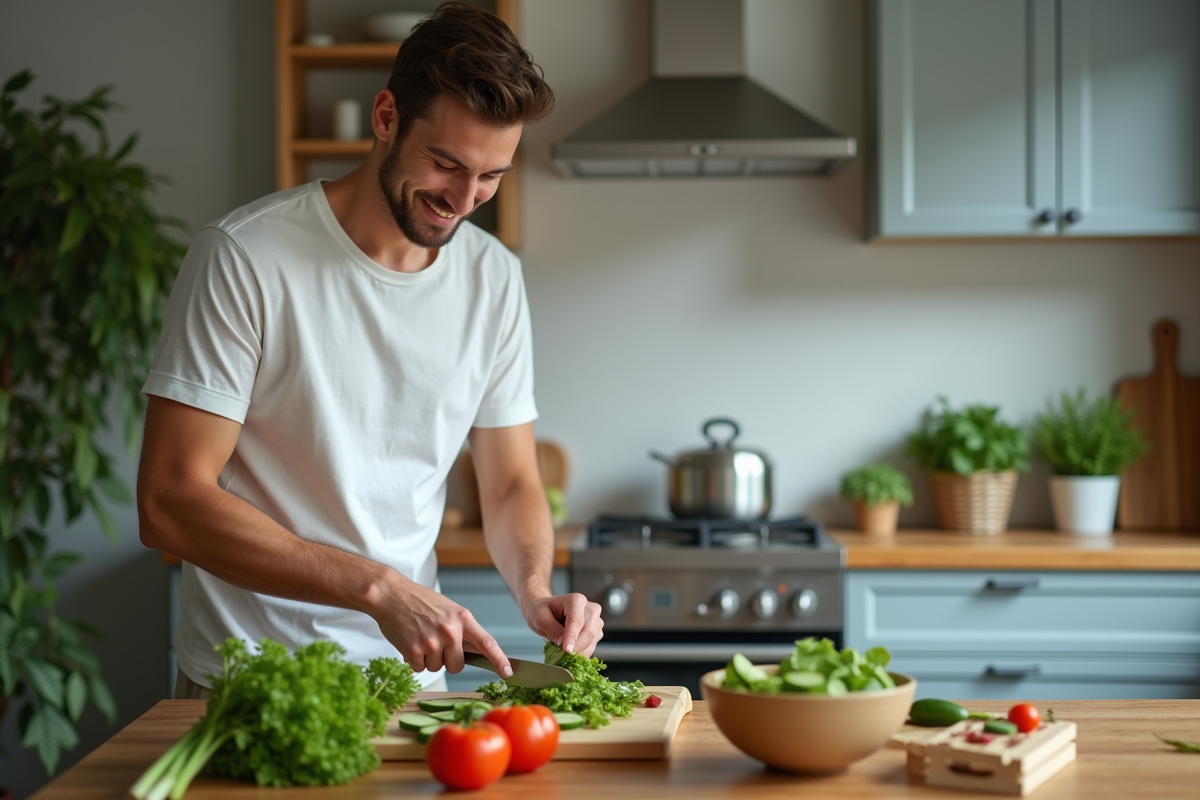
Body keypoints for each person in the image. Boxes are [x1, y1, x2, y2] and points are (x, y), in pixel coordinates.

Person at [136, 2, 603, 698]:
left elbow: (509, 482)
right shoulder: (246, 257)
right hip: (254, 682)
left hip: (409, 683)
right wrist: (378, 587)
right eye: (445, 164)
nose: (464, 198)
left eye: (491, 177)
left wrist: (534, 590)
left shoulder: (493, 277)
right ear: (385, 118)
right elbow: (170, 500)